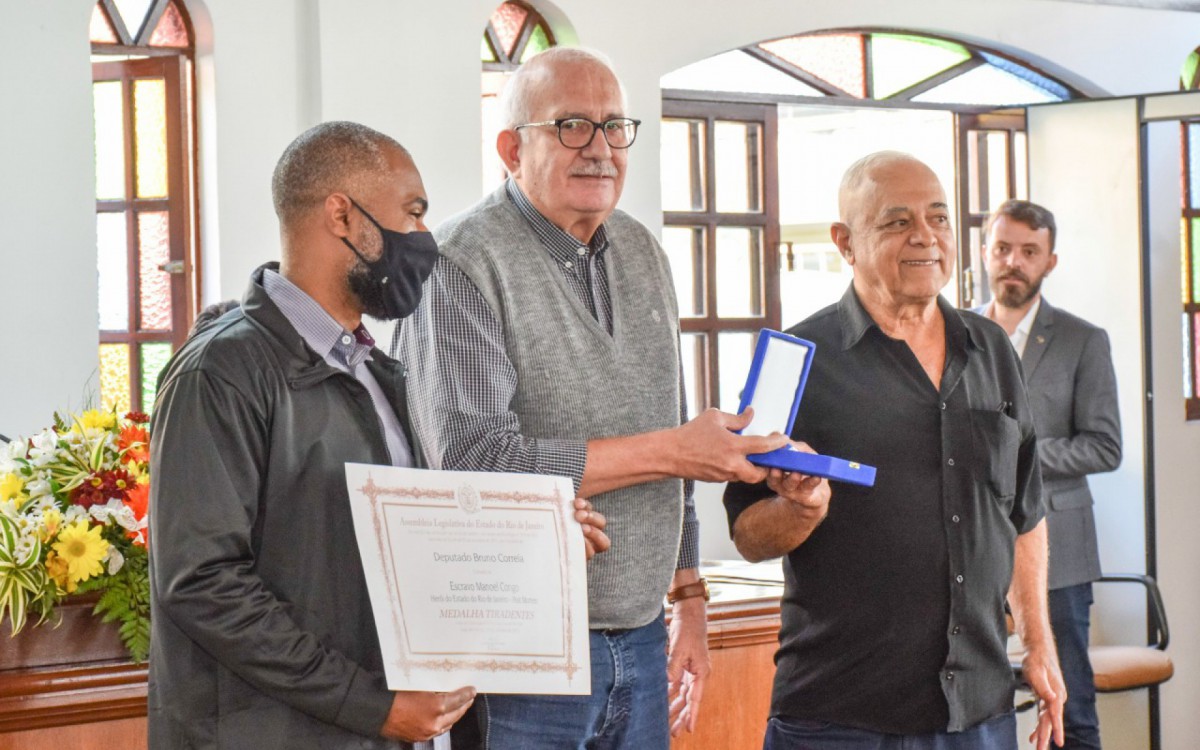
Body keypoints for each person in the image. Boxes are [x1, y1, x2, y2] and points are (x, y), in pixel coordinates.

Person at [149, 121, 610, 750]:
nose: (425, 238)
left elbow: (401, 550)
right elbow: (202, 582)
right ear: (342, 215)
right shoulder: (222, 372)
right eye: (413, 213)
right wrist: (369, 704)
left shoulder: (377, 372)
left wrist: (537, 543)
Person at [394, 47, 787, 749]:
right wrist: (673, 450)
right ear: (511, 148)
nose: (600, 148)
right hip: (519, 655)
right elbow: (476, 464)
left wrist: (689, 599)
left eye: (614, 127)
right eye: (572, 125)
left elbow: (678, 436)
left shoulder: (643, 252)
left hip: (640, 638)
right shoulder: (457, 262)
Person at [722, 152, 1067, 750]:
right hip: (838, 717)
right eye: (896, 222)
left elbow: (1023, 516)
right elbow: (749, 534)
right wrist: (799, 511)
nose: (925, 237)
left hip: (979, 714)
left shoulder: (992, 349)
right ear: (845, 242)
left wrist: (1038, 645)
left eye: (938, 218)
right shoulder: (794, 359)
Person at [977, 199, 1122, 750]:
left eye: (1029, 252)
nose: (1013, 262)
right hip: (975, 552)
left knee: (1070, 708)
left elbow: (1104, 447)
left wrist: (1017, 457)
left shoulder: (1083, 340)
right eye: (1003, 248)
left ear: (1050, 262)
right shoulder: (957, 331)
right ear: (986, 252)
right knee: (977, 709)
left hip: (1059, 553)